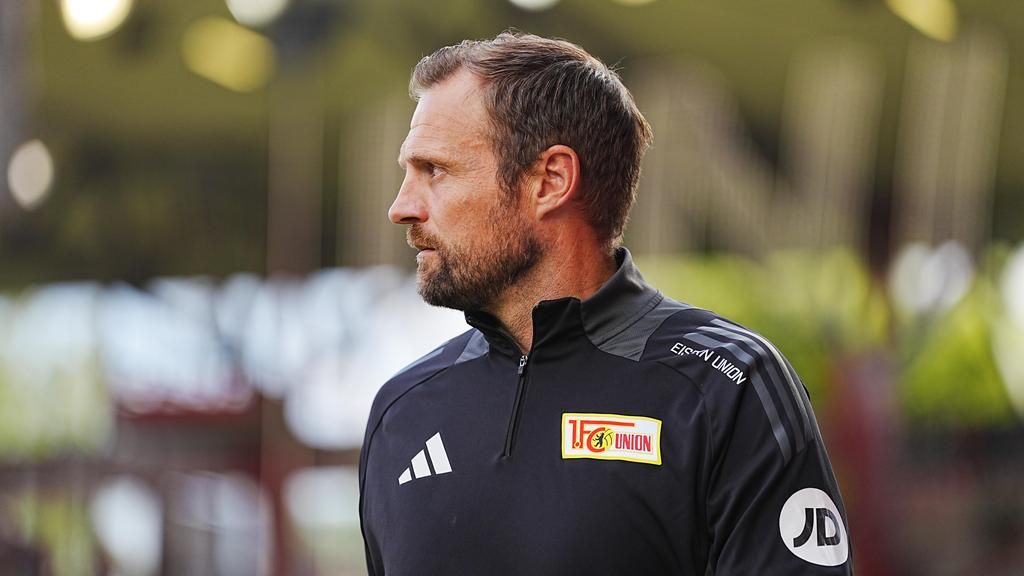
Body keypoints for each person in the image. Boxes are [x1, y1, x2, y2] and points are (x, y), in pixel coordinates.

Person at [359, 31, 853, 575]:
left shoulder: (728, 386)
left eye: (434, 170)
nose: (401, 207)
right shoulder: (402, 412)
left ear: (551, 180)